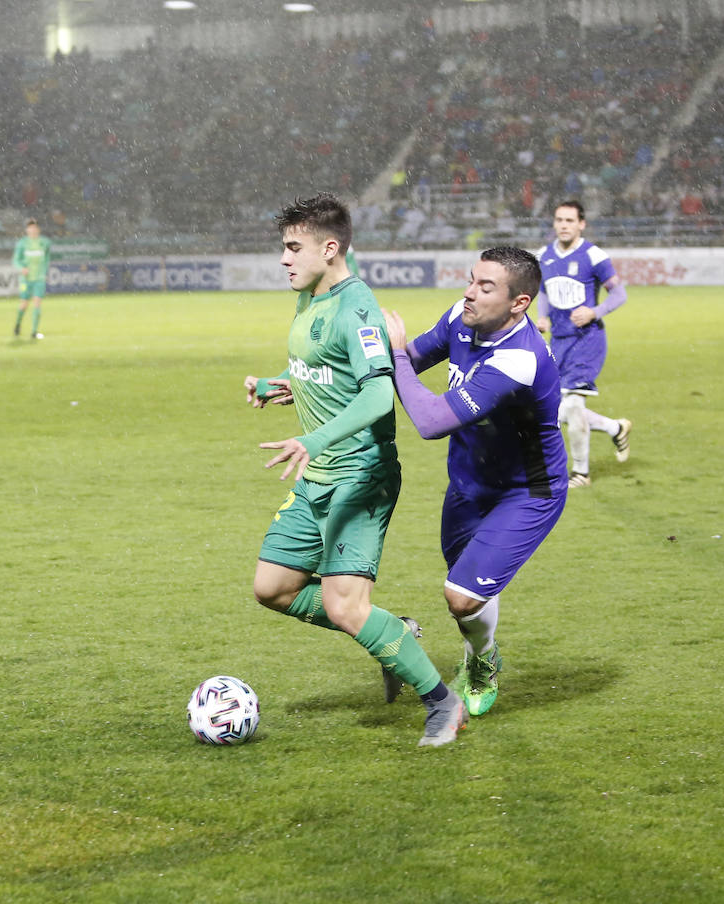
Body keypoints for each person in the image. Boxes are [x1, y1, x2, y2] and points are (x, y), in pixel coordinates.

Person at [244, 193, 466, 748]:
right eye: (283, 248)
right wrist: (281, 385)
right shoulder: (312, 296)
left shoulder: (355, 307)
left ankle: (442, 702)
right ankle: (390, 633)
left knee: (344, 604)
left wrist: (309, 437)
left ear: (330, 247)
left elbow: (376, 397)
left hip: (360, 476)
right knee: (271, 587)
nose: (284, 259)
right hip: (318, 476)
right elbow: (325, 372)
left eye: (293, 248)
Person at [381, 246, 568, 718]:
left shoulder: (520, 359)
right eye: (471, 280)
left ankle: (481, 661)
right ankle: (481, 645)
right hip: (468, 481)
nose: (469, 293)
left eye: (486, 287)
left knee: (461, 596)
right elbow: (404, 361)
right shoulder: (461, 319)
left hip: (527, 491)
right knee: (471, 590)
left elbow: (430, 419)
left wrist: (397, 355)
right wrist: (302, 384)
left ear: (518, 304)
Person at [533, 201, 631, 489]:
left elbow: (619, 294)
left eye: (569, 220)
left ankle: (580, 473)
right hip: (558, 342)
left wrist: (594, 312)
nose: (563, 225)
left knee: (573, 404)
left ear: (581, 224)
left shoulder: (593, 255)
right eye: (559, 220)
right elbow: (543, 291)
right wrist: (542, 316)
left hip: (588, 340)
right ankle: (616, 428)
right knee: (556, 411)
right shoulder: (545, 255)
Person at [12, 218, 50, 340]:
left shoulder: (45, 243)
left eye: (34, 227)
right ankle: (18, 324)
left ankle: (34, 331)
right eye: (30, 227)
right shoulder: (22, 243)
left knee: (37, 303)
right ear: (27, 229)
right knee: (24, 304)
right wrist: (21, 268)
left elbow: (47, 259)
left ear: (38, 229)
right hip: (26, 279)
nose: (32, 229)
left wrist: (44, 273)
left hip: (39, 278)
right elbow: (15, 260)